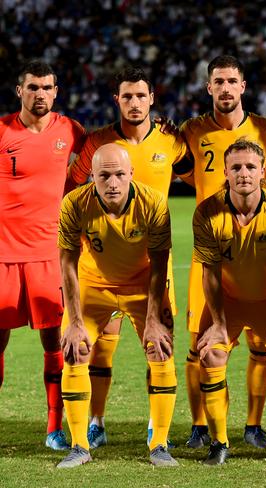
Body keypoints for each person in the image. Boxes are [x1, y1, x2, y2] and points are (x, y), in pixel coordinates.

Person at [66, 65, 191, 449]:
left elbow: (197, 179)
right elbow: (72, 188)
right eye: (127, 96)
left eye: (141, 95)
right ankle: (96, 423)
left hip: (151, 262)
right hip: (101, 262)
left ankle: (158, 429)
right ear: (116, 100)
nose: (134, 103)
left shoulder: (172, 140)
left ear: (152, 98)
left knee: (158, 344)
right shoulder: (98, 143)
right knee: (101, 345)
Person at [181, 55, 266, 450]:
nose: (226, 88)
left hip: (257, 254)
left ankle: (252, 424)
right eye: (218, 81)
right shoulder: (191, 131)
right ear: (209, 87)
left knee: (265, 350)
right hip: (210, 254)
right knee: (200, 347)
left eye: (232, 81)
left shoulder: (265, 130)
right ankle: (200, 426)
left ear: (243, 86)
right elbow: (172, 168)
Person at [56, 143, 177, 468]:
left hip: (141, 283)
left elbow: (160, 262)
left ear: (131, 175)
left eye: (119, 174)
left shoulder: (153, 203)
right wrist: (76, 321)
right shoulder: (74, 204)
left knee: (160, 348)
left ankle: (159, 444)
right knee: (76, 350)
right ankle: (80, 446)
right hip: (94, 285)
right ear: (92, 176)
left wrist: (154, 319)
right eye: (104, 175)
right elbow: (67, 263)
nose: (112, 182)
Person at [192, 139, 266, 465]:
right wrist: (219, 324)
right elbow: (209, 274)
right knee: (210, 355)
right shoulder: (206, 212)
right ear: (225, 171)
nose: (243, 173)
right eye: (236, 167)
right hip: (227, 301)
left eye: (251, 167)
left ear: (263, 171)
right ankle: (219, 442)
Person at [0, 60, 85, 450]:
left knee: (54, 344)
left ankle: (54, 428)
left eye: (47, 87)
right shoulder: (1, 131)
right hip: (2, 255)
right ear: (20, 91)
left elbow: (95, 161)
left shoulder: (70, 131)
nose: (41, 94)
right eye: (33, 87)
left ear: (56, 91)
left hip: (49, 256)